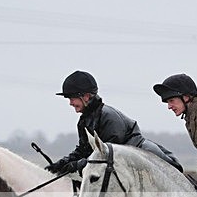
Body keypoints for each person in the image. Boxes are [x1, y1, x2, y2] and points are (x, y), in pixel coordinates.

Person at [46, 70, 181, 175]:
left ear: (86, 96)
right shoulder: (84, 121)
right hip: (127, 164)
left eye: (72, 98)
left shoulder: (108, 117)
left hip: (146, 158)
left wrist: (77, 165)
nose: (70, 103)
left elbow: (108, 154)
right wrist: (61, 164)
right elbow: (83, 150)